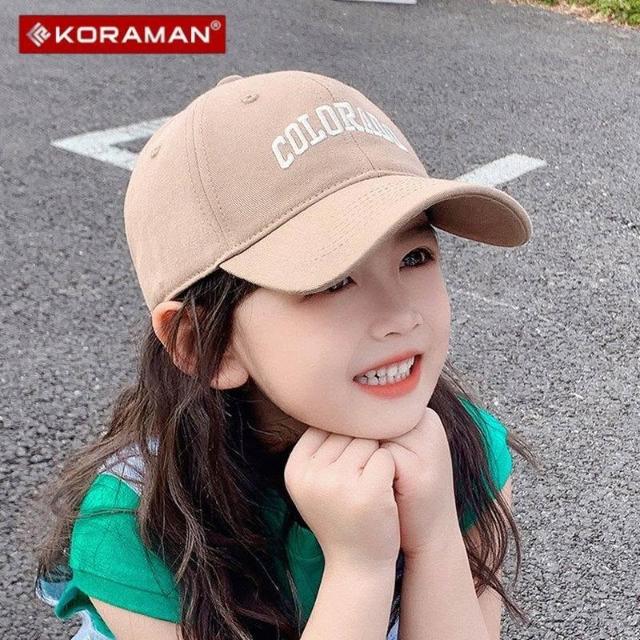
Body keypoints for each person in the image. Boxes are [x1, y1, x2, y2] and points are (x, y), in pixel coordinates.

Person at [33, 69, 540, 640]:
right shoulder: (136, 522)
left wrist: (435, 533)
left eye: (414, 257)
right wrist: (359, 569)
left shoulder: (463, 446)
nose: (402, 316)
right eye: (332, 281)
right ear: (204, 345)